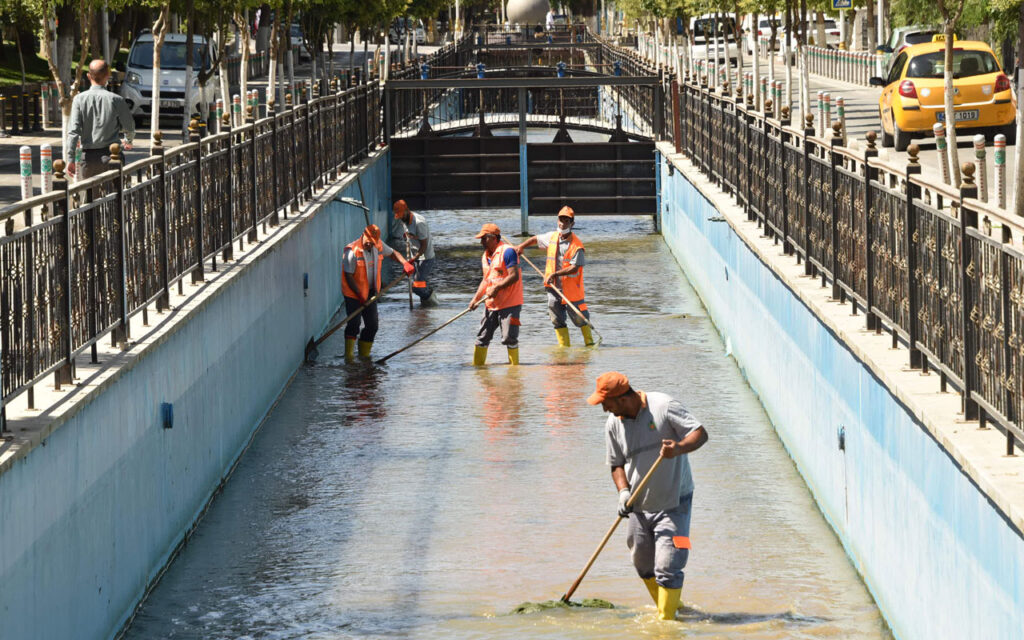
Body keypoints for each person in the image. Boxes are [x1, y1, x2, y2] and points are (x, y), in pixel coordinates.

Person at [588, 371, 708, 621]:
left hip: (676, 500)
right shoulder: (613, 425)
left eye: (605, 403)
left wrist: (679, 448)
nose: (604, 409)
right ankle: (673, 606)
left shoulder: (664, 406)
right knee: (642, 561)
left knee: (670, 562)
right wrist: (623, 493)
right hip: (639, 504)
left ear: (621, 398)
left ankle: (666, 624)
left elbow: (700, 433)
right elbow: (616, 465)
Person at [516, 205, 593, 346]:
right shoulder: (552, 237)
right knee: (557, 320)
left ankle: (589, 344)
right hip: (553, 287)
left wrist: (555, 274)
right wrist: (521, 247)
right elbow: (536, 239)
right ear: (557, 220)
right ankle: (564, 350)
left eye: (566, 221)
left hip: (572, 291)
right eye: (561, 220)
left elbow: (575, 268)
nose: (563, 223)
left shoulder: (577, 246)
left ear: (572, 223)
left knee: (580, 319)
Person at [341, 224, 415, 359]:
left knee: (372, 325)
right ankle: (349, 358)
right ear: (363, 236)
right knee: (354, 324)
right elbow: (348, 276)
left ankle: (364, 357)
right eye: (368, 243)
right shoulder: (352, 252)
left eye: (373, 243)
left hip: (369, 292)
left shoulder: (378, 245)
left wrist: (405, 263)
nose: (370, 246)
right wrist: (359, 296)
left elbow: (394, 254)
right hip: (353, 293)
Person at [66, 59, 135, 179]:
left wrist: (70, 159)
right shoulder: (116, 100)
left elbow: (73, 131)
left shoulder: (79, 99)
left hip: (88, 159)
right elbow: (129, 126)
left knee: (91, 195)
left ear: (88, 76)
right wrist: (128, 141)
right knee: (115, 194)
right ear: (108, 76)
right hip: (112, 156)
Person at [468, 223, 523, 366]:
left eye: (484, 238)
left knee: (509, 338)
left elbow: (514, 276)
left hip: (510, 303)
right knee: (482, 337)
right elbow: (486, 280)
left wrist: (497, 287)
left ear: (493, 238)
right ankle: (478, 370)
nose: (481, 242)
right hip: (491, 303)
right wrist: (475, 299)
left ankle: (514, 373)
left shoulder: (508, 252)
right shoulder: (485, 256)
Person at [393, 199, 439, 307]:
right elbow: (409, 236)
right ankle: (425, 310)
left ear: (407, 210)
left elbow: (423, 246)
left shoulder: (419, 223)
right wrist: (407, 237)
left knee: (417, 287)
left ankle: (433, 302)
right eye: (398, 215)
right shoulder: (404, 220)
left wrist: (413, 259)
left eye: (401, 215)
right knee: (419, 284)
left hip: (425, 258)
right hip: (416, 256)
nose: (400, 218)